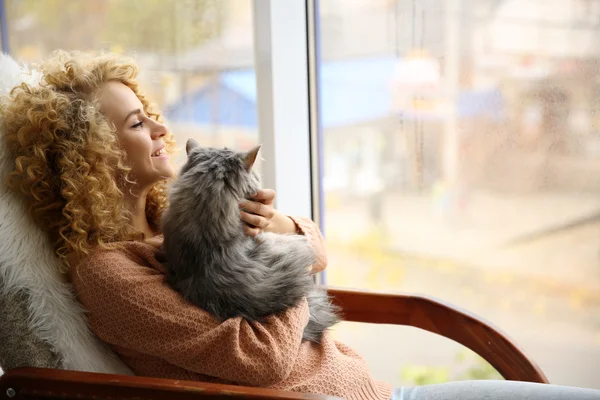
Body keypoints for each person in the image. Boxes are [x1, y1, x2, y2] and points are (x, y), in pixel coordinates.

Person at [1, 51, 598, 400]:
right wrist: (285, 260)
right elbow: (259, 360)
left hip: (367, 389)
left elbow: (312, 251)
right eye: (136, 124)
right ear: (90, 152)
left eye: (151, 115)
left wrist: (287, 233)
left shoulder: (176, 218)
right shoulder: (109, 273)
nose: (159, 129)